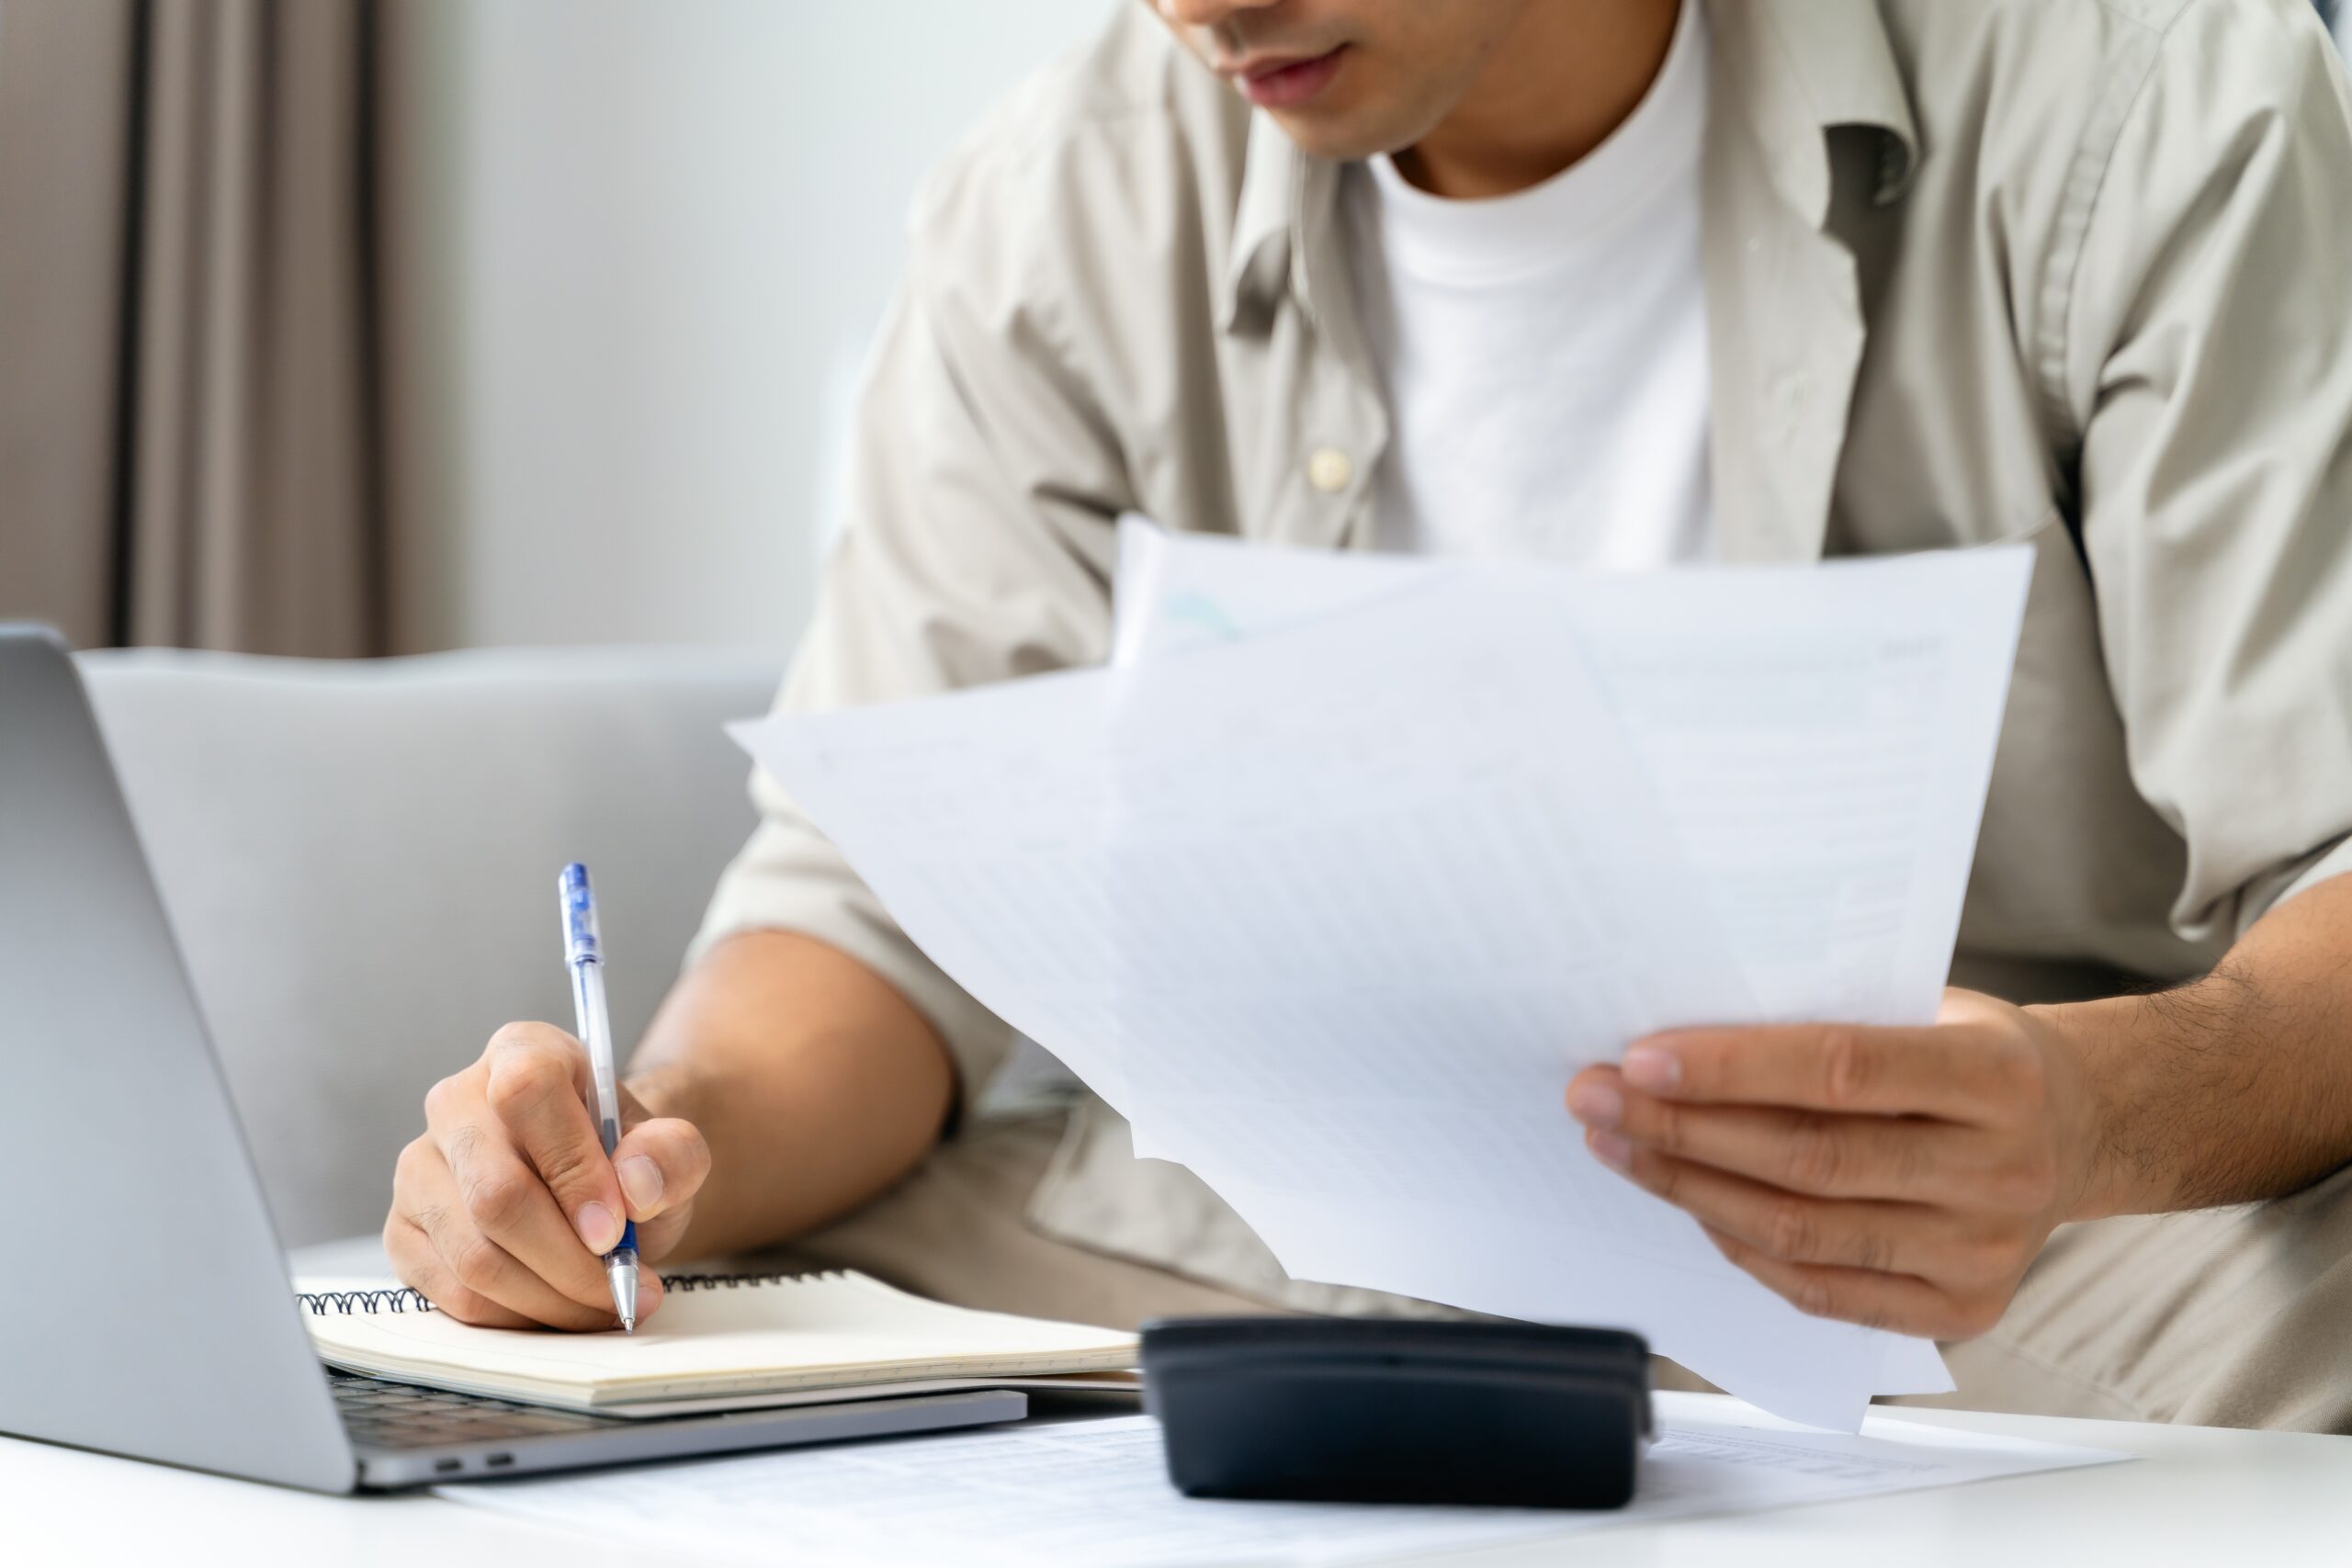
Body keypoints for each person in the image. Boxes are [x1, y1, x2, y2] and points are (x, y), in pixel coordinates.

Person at [387, 0, 2352, 1428]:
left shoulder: (2144, 108)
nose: (1199, 6)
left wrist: (2079, 1114)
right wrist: (637, 1163)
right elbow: (867, 918)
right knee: (685, 1329)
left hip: (1965, 1260)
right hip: (1240, 1242)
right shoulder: (1066, 198)